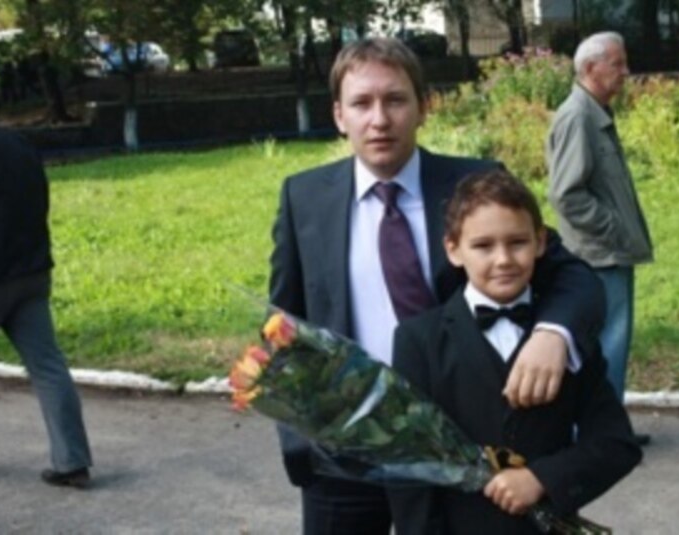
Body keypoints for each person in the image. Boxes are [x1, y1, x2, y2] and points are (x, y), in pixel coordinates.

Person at [269, 38, 606, 534]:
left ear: (423, 106)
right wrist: (300, 439)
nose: (379, 119)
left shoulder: (475, 184)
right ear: (339, 115)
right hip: (345, 455)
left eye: (395, 100)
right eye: (361, 103)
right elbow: (283, 325)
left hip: (463, 456)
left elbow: (574, 276)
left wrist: (554, 334)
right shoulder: (304, 198)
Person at [388, 170, 642, 534]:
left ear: (540, 242)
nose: (504, 259)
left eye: (517, 242)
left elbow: (616, 444)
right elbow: (410, 464)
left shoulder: (566, 339)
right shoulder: (418, 340)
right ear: (453, 250)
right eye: (483, 246)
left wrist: (543, 478)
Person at [0, 68, 92, 487]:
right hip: (30, 274)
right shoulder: (18, 143)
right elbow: (38, 201)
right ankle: (72, 460)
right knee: (48, 367)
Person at [546, 32, 653, 444]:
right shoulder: (578, 117)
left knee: (609, 343)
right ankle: (601, 434)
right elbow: (566, 194)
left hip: (608, 252)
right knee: (608, 342)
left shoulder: (594, 113)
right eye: (617, 64)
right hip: (599, 254)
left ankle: (603, 427)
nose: (626, 72)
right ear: (591, 68)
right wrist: (613, 228)